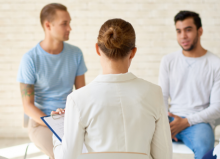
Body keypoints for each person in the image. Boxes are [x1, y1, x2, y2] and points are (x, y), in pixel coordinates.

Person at [52, 18, 172, 159]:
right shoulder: (154, 93)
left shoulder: (77, 99)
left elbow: (67, 157)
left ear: (97, 49)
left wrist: (57, 132)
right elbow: (164, 156)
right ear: (133, 52)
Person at [17, 3, 87, 159]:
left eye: (69, 23)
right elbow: (28, 106)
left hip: (69, 118)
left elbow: (82, 95)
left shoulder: (76, 54)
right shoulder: (30, 59)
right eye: (65, 23)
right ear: (48, 25)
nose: (70, 28)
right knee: (62, 154)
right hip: (41, 121)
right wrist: (54, 124)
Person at [159, 10, 220, 159]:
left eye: (188, 30)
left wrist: (186, 122)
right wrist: (163, 124)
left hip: (199, 123)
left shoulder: (215, 63)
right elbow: (162, 97)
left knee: (205, 149)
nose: (183, 36)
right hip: (171, 119)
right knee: (140, 137)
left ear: (200, 31)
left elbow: (217, 108)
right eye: (178, 31)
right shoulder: (168, 61)